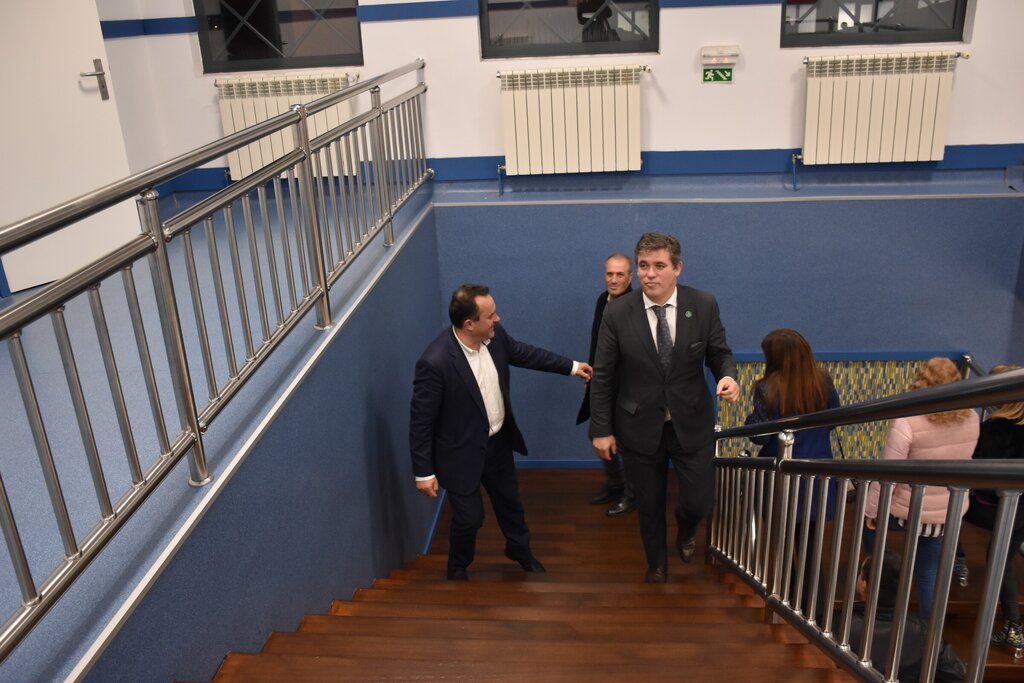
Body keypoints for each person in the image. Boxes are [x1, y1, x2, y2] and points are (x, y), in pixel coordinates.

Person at [410, 284, 592, 581]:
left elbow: (527, 354)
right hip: (460, 454)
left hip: (497, 444)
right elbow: (421, 421)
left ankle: (520, 550)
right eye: (491, 315)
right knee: (469, 519)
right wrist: (423, 472)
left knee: (511, 504)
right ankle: (458, 567)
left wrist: (572, 367)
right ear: (469, 324)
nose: (498, 319)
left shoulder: (495, 338)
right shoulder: (435, 362)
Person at [589, 232, 740, 583]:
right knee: (649, 503)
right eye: (643, 266)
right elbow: (604, 375)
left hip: (691, 421)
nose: (649, 274)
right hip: (638, 425)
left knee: (699, 502)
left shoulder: (703, 304)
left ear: (677, 268)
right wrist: (601, 429)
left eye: (659, 266)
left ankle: (686, 530)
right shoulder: (618, 312)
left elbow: (719, 353)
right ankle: (656, 564)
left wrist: (728, 376)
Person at [864, 357, 980, 618]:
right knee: (928, 572)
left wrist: (871, 512)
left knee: (868, 527)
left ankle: (883, 572)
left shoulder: (907, 422)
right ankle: (928, 632)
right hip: (945, 513)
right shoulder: (972, 418)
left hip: (906, 512)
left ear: (921, 383)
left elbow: (888, 476)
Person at [745, 329, 841, 615]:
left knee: (783, 545)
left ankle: (787, 603)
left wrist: (751, 421)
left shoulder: (767, 388)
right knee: (811, 545)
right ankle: (817, 610)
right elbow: (834, 418)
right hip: (816, 472)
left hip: (780, 474)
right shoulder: (822, 382)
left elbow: (760, 435)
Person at [964, 364, 1024, 653]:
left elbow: (978, 472)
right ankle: (1013, 628)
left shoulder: (992, 429)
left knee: (951, 507)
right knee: (1002, 563)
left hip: (996, 509)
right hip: (1020, 512)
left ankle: (957, 559)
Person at [845, 551, 966, 682]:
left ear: (864, 585)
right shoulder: (923, 632)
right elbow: (961, 675)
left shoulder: (841, 626)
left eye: (860, 574)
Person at [577, 253, 636, 516]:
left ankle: (632, 495)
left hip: (627, 387)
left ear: (630, 277)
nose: (613, 279)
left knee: (625, 441)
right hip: (603, 381)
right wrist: (592, 375)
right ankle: (615, 484)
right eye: (609, 274)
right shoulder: (603, 300)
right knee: (597, 433)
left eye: (619, 274)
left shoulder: (635, 306)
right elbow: (597, 342)